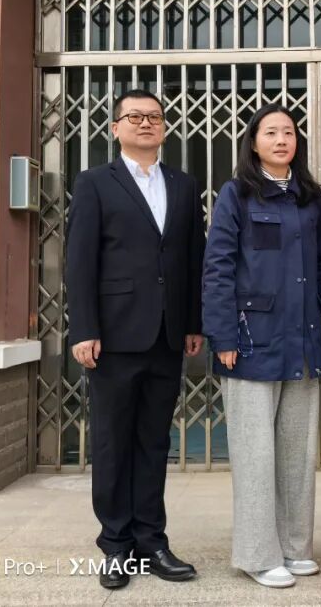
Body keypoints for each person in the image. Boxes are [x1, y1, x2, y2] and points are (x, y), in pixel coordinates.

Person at [65, 88, 205, 591]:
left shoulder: (183, 184)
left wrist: (193, 322)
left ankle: (152, 541)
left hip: (167, 335)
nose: (146, 124)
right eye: (135, 117)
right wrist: (84, 328)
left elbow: (193, 257)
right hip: (114, 335)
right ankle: (116, 545)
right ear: (116, 128)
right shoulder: (95, 183)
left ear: (164, 128)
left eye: (155, 117)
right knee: (112, 442)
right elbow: (80, 259)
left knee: (153, 441)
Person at [201, 104, 321, 589]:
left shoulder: (310, 198)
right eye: (271, 132)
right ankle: (258, 555)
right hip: (250, 339)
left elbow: (320, 266)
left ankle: (296, 547)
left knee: (298, 455)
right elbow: (218, 266)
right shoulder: (236, 194)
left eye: (289, 132)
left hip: (302, 342)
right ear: (254, 142)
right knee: (256, 456)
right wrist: (222, 335)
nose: (282, 140)